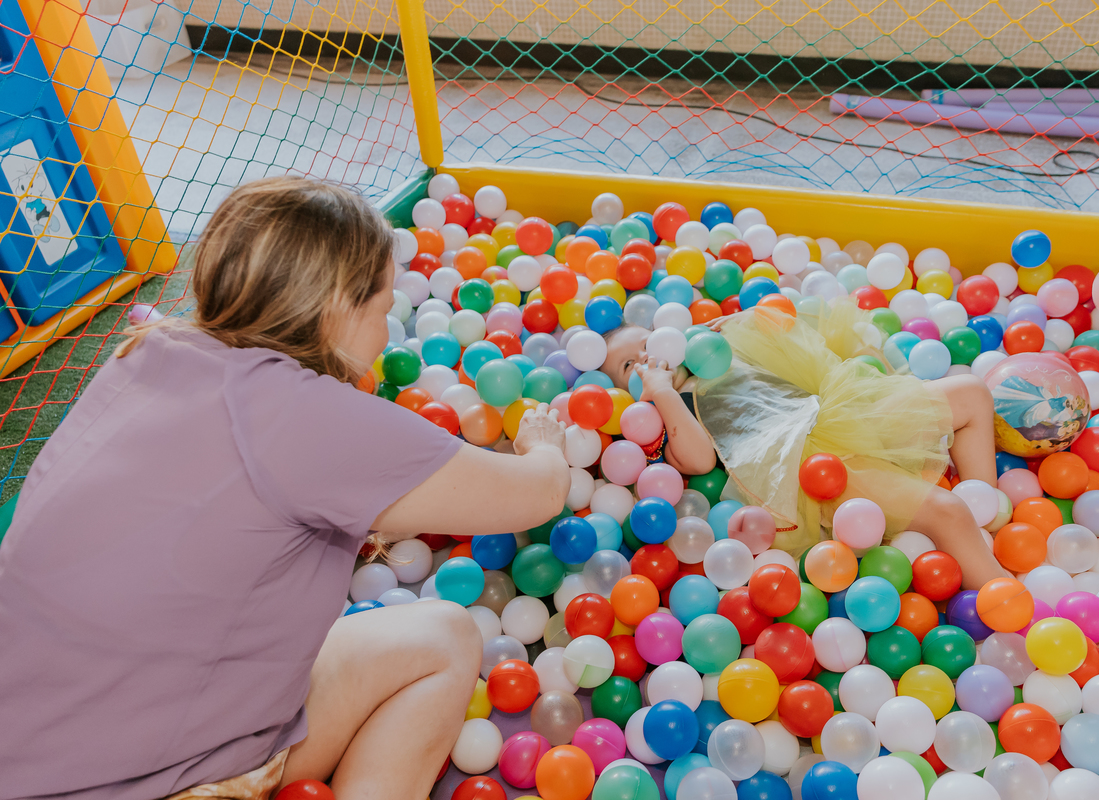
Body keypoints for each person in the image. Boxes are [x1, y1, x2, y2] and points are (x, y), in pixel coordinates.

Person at [0, 176, 570, 800]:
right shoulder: (309, 418)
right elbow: (536, 495)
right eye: (383, 309)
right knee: (444, 638)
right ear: (335, 311)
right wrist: (544, 441)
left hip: (23, 744)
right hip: (151, 781)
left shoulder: (144, 351)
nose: (387, 331)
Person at [601, 299, 1007, 590]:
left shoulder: (719, 352)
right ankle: (1009, 599)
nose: (647, 359)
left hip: (844, 415)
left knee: (971, 392)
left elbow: (795, 335)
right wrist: (662, 393)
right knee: (947, 512)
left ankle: (991, 519)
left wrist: (743, 325)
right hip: (811, 466)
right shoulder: (669, 415)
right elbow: (699, 459)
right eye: (629, 366)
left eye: (647, 342)